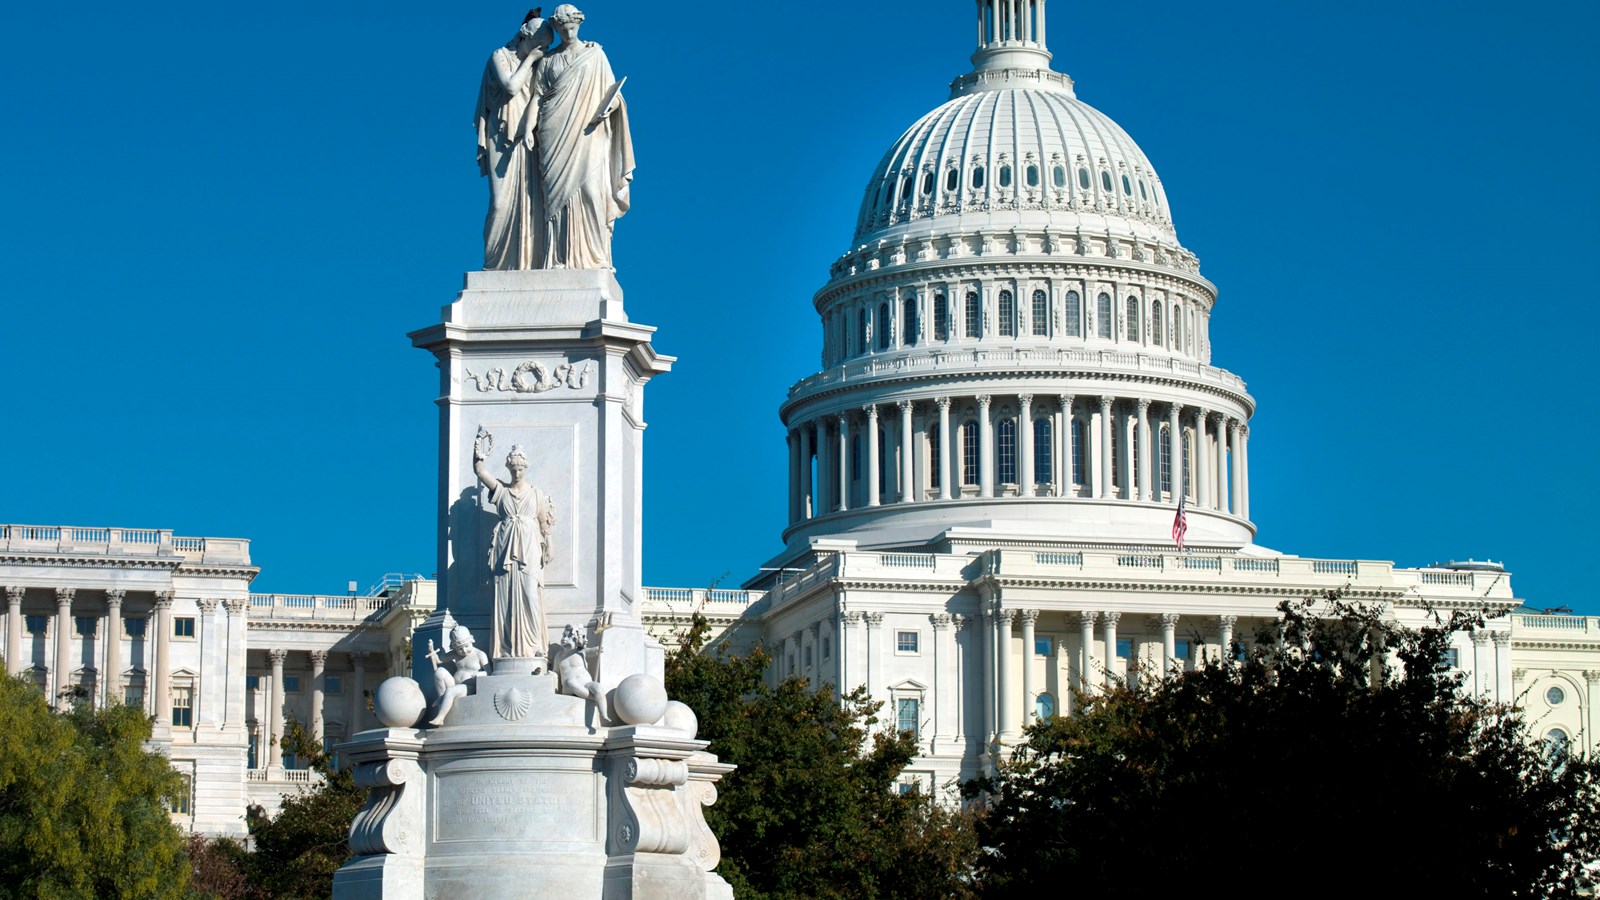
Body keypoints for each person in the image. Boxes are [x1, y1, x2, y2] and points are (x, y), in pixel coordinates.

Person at [527, 4, 635, 269]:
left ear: (579, 25)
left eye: (572, 28)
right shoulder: (548, 61)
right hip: (553, 130)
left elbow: (614, 93)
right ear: (556, 29)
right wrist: (528, 128)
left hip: (589, 130)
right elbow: (537, 97)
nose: (568, 33)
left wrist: (611, 106)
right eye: (562, 29)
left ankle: (596, 258)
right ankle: (557, 258)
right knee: (554, 196)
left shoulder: (595, 54)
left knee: (590, 190)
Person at [476, 10, 553, 269]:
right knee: (500, 203)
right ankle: (493, 263)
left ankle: (527, 262)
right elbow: (510, 87)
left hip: (528, 138)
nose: (544, 49)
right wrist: (530, 59)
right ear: (525, 36)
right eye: (541, 43)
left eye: (547, 46)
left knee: (531, 204)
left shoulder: (540, 64)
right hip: (501, 134)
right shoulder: (501, 56)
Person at [474, 429, 556, 667]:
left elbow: (544, 524)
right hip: (505, 546)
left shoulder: (536, 495)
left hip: (530, 544)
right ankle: (508, 645)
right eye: (513, 469)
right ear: (509, 469)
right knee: (507, 597)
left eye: (520, 469)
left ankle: (535, 645)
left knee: (530, 592)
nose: (517, 472)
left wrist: (549, 544)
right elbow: (480, 472)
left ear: (525, 468)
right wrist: (478, 451)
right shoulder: (501, 491)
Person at [429, 625, 489, 726]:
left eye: (466, 646)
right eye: (459, 649)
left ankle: (440, 717)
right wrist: (432, 652)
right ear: (454, 648)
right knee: (439, 671)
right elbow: (439, 660)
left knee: (451, 691)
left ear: (471, 641)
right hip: (454, 684)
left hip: (469, 688)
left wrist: (479, 674)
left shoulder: (480, 654)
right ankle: (443, 700)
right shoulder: (455, 654)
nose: (464, 651)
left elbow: (489, 672)